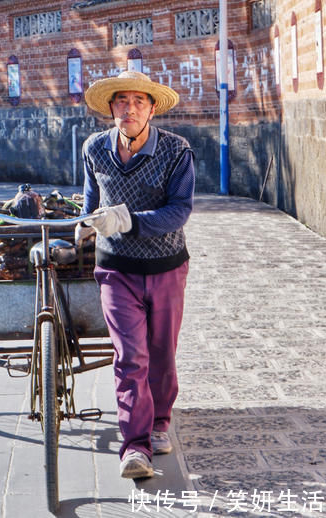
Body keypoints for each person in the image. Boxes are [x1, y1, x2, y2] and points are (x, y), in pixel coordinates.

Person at [75, 70, 194, 479]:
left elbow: (180, 210)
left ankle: (160, 421)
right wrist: (87, 223)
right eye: (121, 101)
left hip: (166, 267)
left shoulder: (177, 151)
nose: (129, 109)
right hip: (116, 269)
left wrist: (127, 220)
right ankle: (135, 447)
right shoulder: (94, 148)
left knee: (161, 354)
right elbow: (92, 199)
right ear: (111, 108)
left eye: (138, 102)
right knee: (131, 356)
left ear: (152, 108)